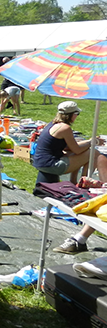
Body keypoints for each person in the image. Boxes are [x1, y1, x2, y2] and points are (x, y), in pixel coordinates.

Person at [33, 101, 107, 255]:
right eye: (77, 114)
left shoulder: (53, 125)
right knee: (94, 154)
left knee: (85, 152)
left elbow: (68, 148)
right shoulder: (65, 128)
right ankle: (89, 183)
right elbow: (76, 149)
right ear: (72, 115)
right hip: (52, 164)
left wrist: (85, 144)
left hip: (43, 162)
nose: (77, 116)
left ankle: (76, 181)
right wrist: (92, 142)